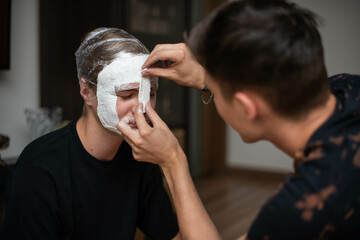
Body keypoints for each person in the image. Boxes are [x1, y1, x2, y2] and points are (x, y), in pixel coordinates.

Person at [117, 0, 360, 239]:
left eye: (216, 92)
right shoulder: (346, 86)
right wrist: (204, 77)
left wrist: (173, 160)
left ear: (247, 108)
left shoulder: (304, 210)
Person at [0, 27, 180, 240]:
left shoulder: (140, 156)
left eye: (150, 93)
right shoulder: (39, 169)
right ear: (86, 92)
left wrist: (174, 162)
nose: (142, 108)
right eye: (126, 95)